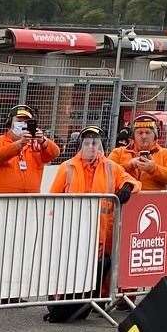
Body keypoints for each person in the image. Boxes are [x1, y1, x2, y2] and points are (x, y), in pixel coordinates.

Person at [46, 125, 139, 322]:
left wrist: (128, 187)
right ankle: (62, 304)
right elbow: (53, 197)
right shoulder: (68, 167)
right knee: (70, 270)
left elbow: (131, 180)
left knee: (97, 270)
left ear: (101, 146)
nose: (91, 147)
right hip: (73, 230)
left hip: (102, 231)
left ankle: (92, 302)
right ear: (81, 145)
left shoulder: (110, 166)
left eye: (95, 143)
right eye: (87, 143)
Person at [0, 104, 59, 194]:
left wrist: (43, 141)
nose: (23, 124)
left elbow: (55, 153)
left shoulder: (36, 145)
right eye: (19, 121)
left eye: (26, 122)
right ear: (10, 123)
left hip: (29, 201)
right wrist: (19, 144)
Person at [110, 113, 167, 191]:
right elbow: (107, 172)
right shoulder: (118, 152)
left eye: (147, 132)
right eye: (140, 133)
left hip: (155, 201)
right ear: (133, 136)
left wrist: (153, 169)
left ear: (155, 136)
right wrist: (129, 165)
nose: (144, 136)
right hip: (124, 199)